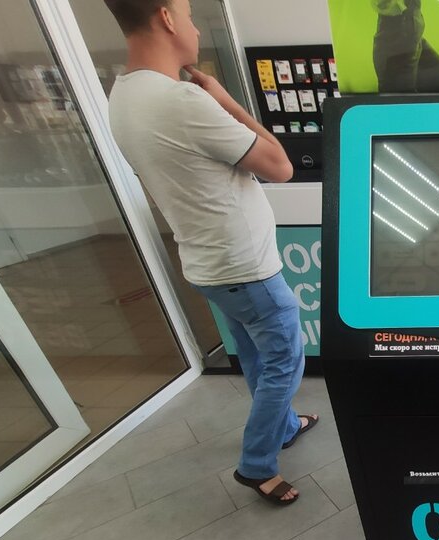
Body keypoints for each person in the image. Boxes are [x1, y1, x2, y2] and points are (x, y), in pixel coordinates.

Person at [104, 0, 317, 505]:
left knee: (254, 354)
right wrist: (226, 100)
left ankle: (285, 426)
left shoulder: (123, 95)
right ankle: (257, 464)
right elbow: (280, 166)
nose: (197, 29)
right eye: (190, 15)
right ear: (166, 18)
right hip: (246, 270)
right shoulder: (181, 101)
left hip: (207, 265)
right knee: (285, 363)